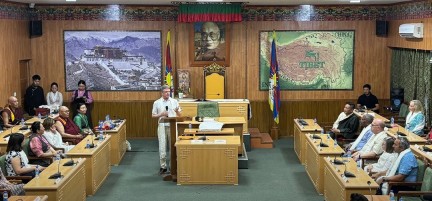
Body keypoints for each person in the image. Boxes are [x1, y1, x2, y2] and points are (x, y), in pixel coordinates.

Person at [152, 85, 181, 175]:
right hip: (162, 126)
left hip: (172, 126)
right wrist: (161, 114)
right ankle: (163, 166)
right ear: (162, 93)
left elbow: (180, 115)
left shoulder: (174, 101)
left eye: (169, 91)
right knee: (162, 146)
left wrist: (177, 111)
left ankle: (172, 166)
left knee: (173, 146)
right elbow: (153, 115)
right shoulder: (157, 102)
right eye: (166, 92)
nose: (168, 93)